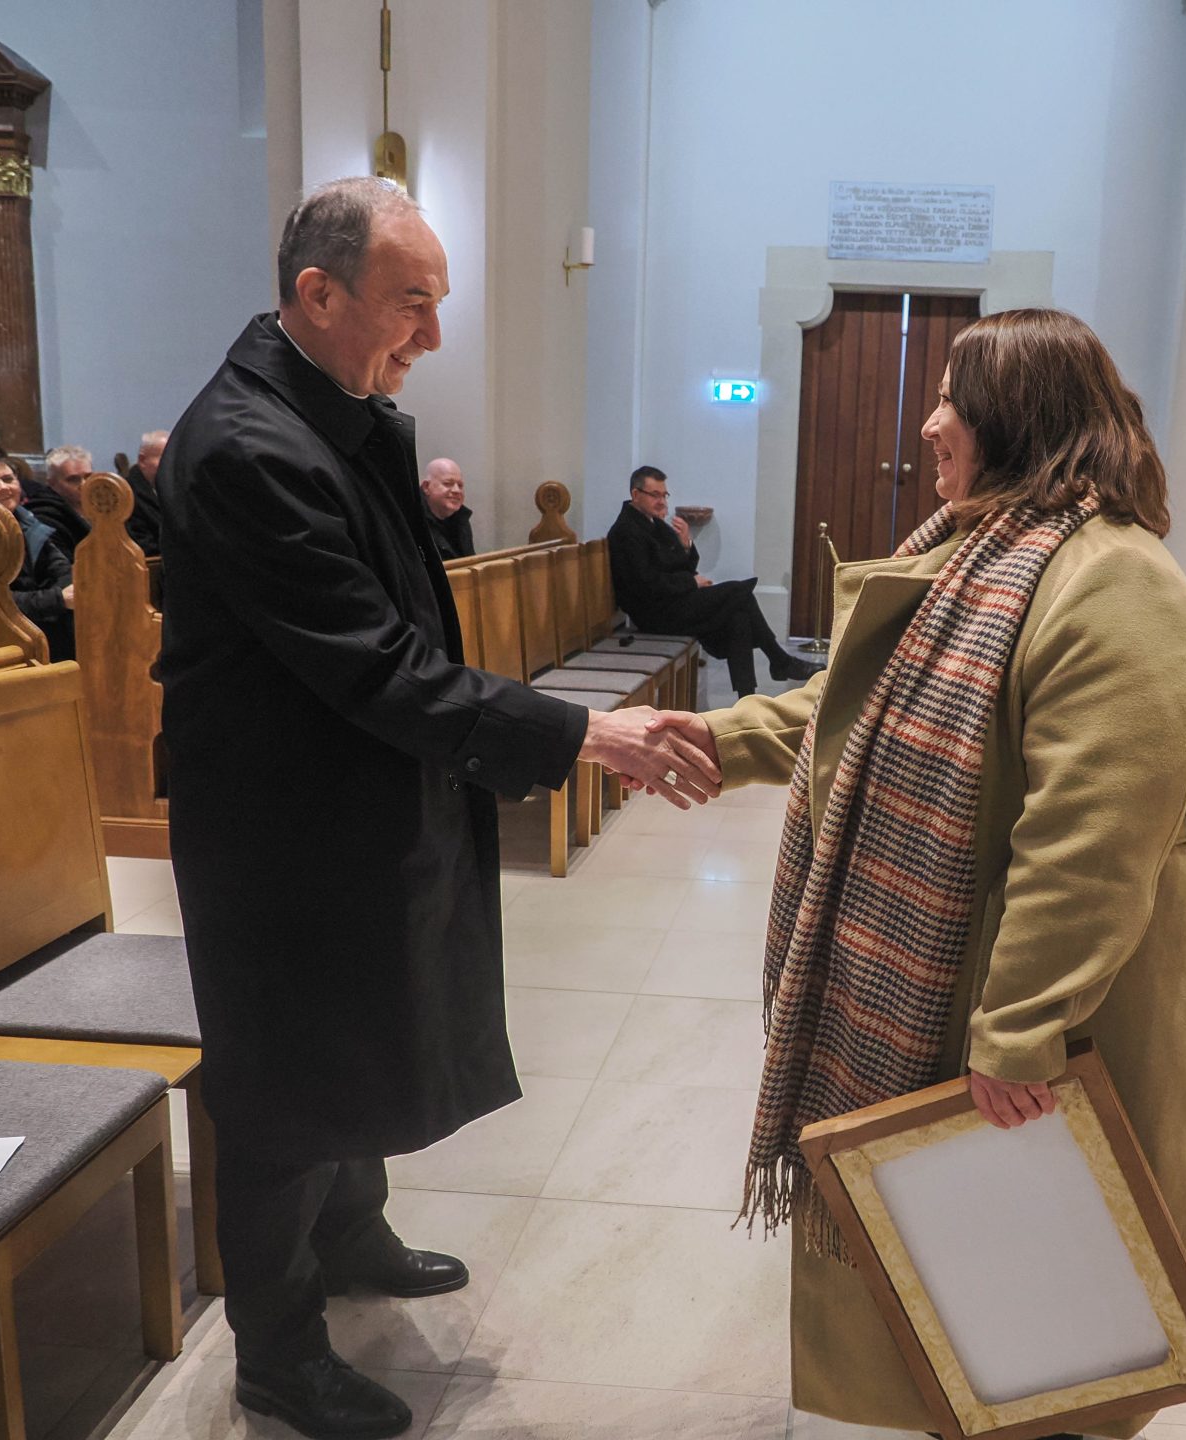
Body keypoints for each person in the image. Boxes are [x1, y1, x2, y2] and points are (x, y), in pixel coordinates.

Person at [158, 176, 718, 1440]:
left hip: (353, 798)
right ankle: (278, 1354)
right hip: (279, 832)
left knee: (361, 1029)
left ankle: (351, 1238)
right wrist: (582, 732)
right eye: (412, 303)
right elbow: (375, 665)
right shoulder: (249, 446)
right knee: (286, 1083)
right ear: (318, 294)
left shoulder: (332, 412)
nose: (434, 334)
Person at [650, 309, 1186, 1440]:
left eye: (954, 397)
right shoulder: (973, 554)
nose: (929, 424)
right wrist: (714, 741)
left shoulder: (1115, 580)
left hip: (1067, 994)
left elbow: (1092, 842)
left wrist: (1019, 1029)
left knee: (1062, 1286)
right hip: (960, 954)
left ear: (1018, 417)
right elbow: (853, 711)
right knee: (958, 1271)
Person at [607, 465, 821, 695]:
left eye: (664, 495)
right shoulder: (626, 531)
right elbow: (645, 585)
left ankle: (747, 697)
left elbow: (685, 566)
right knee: (738, 593)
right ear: (635, 494)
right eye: (655, 495)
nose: (662, 502)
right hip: (654, 614)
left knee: (739, 616)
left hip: (673, 602)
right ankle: (779, 660)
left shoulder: (653, 523)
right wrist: (692, 583)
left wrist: (686, 543)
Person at [0, 453, 76, 662]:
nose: (4, 487)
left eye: (8, 479)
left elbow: (62, 570)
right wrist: (58, 599)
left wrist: (66, 595)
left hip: (40, 622)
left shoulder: (28, 522)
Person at [30, 445, 94, 562]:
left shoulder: (104, 507)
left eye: (88, 477)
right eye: (73, 479)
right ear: (52, 483)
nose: (84, 484)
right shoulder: (45, 519)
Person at [418, 456, 473, 560]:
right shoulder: (413, 521)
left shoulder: (461, 518)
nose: (457, 490)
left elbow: (470, 561)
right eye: (448, 484)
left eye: (460, 485)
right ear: (426, 487)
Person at [124, 428, 167, 556]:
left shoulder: (175, 489)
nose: (170, 464)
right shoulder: (127, 496)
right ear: (142, 460)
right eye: (164, 458)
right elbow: (142, 545)